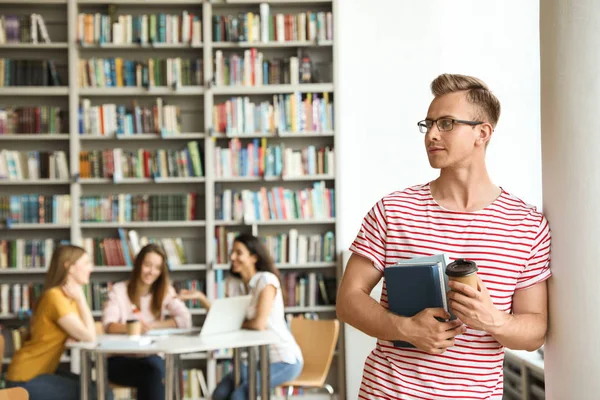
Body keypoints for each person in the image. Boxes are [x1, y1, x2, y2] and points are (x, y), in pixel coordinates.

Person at [336, 73, 551, 399]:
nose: (432, 134)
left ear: (483, 132)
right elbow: (348, 300)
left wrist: (493, 320)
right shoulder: (393, 210)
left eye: (447, 123)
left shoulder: (526, 224)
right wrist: (405, 328)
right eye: (429, 124)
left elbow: (534, 331)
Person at [179, 233, 303, 400]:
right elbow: (223, 316)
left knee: (240, 395)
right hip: (257, 360)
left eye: (238, 252)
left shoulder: (266, 281)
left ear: (254, 257)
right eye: (232, 252)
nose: (232, 257)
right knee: (219, 394)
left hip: (283, 360)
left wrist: (234, 323)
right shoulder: (236, 284)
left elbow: (258, 324)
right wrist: (201, 298)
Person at [5, 244, 106, 400]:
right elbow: (90, 336)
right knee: (96, 393)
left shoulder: (66, 297)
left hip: (40, 372)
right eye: (86, 263)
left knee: (99, 389)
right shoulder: (55, 297)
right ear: (69, 267)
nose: (91, 268)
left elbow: (89, 330)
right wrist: (81, 299)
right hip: (24, 379)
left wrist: (75, 333)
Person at [102, 243, 192, 400]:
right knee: (155, 373)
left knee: (158, 370)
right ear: (138, 264)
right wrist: (133, 328)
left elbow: (185, 320)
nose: (152, 272)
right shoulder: (119, 290)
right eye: (147, 265)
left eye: (157, 267)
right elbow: (108, 325)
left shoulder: (165, 291)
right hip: (120, 359)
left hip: (151, 357)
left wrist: (153, 326)